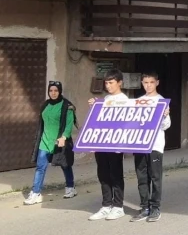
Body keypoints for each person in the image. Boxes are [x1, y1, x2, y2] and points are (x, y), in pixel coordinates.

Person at [24, 81, 77, 206]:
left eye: (56, 91)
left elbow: (69, 124)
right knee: (40, 167)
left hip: (59, 141)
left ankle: (71, 187)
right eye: (51, 90)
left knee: (65, 165)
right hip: (45, 141)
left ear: (60, 91)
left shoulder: (67, 106)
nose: (53, 93)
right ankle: (36, 193)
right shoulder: (46, 104)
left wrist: (64, 136)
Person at [87, 69, 128, 221]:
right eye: (106, 83)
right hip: (102, 142)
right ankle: (106, 205)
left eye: (111, 82)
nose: (108, 86)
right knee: (103, 173)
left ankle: (118, 206)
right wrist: (95, 106)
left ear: (119, 83)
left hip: (116, 143)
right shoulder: (105, 99)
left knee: (115, 174)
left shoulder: (124, 100)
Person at [131, 72, 171, 223]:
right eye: (145, 82)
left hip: (155, 146)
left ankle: (155, 208)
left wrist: (166, 115)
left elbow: (166, 126)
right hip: (139, 145)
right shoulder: (138, 102)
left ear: (157, 83)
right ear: (142, 83)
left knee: (155, 177)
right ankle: (144, 207)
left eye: (151, 82)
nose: (148, 85)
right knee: (142, 178)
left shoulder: (161, 102)